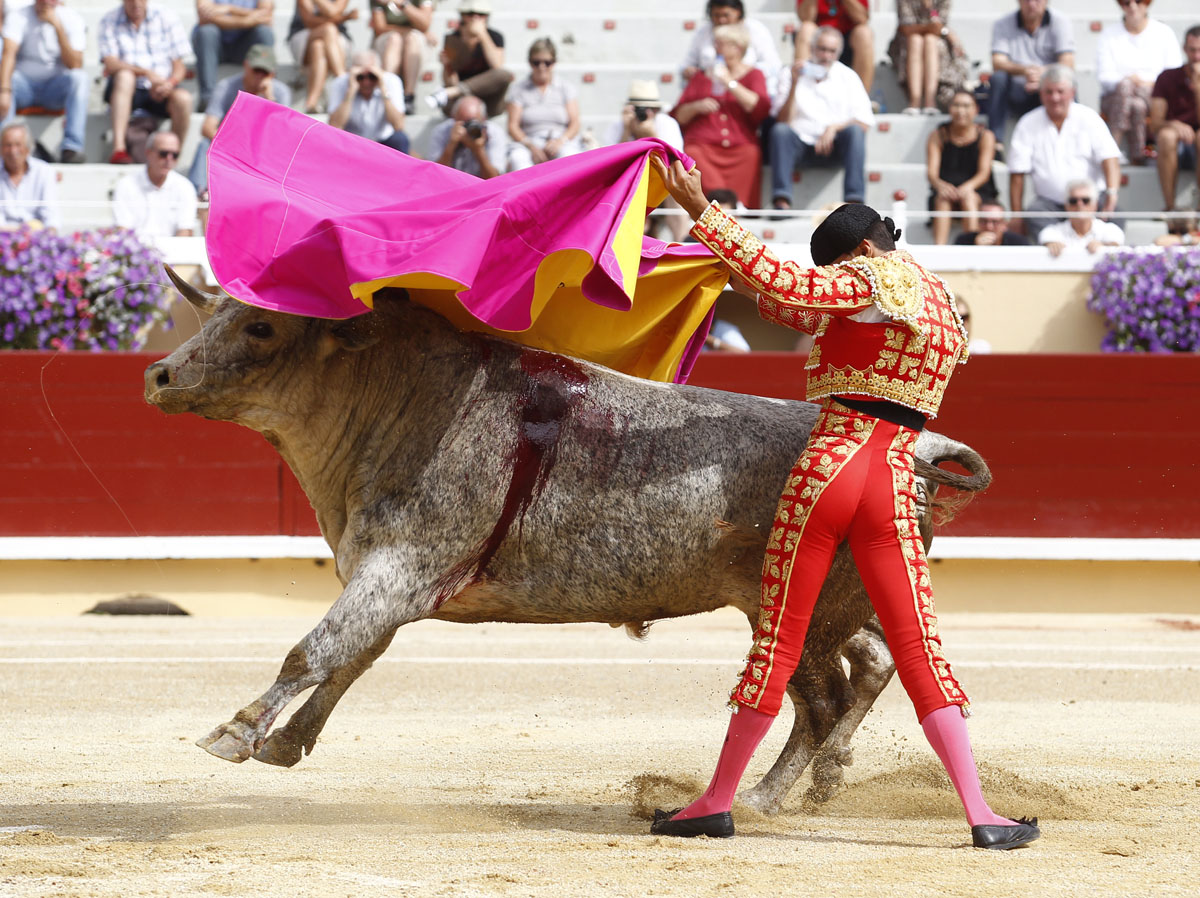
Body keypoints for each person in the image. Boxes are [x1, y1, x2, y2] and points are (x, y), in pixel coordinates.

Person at [647, 155, 1040, 851]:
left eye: (837, 265)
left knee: (779, 641)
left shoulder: (864, 277)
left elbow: (790, 287)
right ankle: (983, 814)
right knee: (919, 649)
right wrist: (735, 271)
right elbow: (794, 304)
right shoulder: (937, 299)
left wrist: (702, 211)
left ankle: (715, 801)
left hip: (829, 471)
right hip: (894, 479)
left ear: (859, 250)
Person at [1007, 65, 1120, 239]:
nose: (1055, 98)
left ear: (1072, 92)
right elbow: (1017, 173)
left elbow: (1110, 158)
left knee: (1115, 215)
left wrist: (1112, 194)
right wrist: (1016, 215)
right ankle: (1054, 248)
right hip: (1049, 206)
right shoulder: (1027, 123)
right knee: (1034, 215)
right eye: (1049, 92)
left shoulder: (1090, 118)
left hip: (1091, 202)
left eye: (1060, 91)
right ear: (1041, 94)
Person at [770, 26, 873, 211]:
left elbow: (864, 122)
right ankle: (781, 200)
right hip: (799, 146)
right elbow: (782, 120)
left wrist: (834, 128)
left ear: (839, 53)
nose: (826, 56)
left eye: (832, 51)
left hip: (835, 146)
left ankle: (854, 204)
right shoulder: (791, 73)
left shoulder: (848, 76)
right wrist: (794, 83)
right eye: (822, 49)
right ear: (812, 48)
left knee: (855, 132)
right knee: (780, 132)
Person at [671, 21, 770, 209]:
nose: (716, 48)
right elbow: (678, 116)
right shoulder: (702, 76)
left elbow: (759, 108)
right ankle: (707, 208)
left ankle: (738, 208)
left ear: (737, 47)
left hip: (740, 145)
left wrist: (729, 82)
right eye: (715, 43)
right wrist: (697, 106)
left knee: (751, 153)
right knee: (693, 152)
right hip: (704, 144)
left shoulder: (754, 75)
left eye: (721, 44)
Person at [187, 44, 291, 197]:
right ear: (246, 65)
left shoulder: (280, 93)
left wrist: (269, 99)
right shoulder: (226, 87)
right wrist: (236, 146)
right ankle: (198, 193)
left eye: (265, 72)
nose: (259, 76)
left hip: (263, 150)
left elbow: (282, 135)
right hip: (230, 147)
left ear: (273, 74)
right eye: (256, 70)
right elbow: (207, 127)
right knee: (205, 145)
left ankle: (273, 197)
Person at [98, 0, 194, 165]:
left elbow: (179, 66)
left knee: (184, 99)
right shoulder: (109, 20)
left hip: (162, 89)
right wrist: (145, 73)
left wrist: (168, 84)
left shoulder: (167, 17)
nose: (136, 3)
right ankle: (119, 149)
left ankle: (172, 153)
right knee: (125, 77)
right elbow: (110, 64)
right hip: (128, 89)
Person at [0, 0, 89, 163]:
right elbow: (8, 54)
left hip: (54, 90)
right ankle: (4, 148)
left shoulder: (72, 18)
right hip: (23, 87)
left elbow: (75, 64)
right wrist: (4, 91)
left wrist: (57, 27)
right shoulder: (19, 16)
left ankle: (72, 147)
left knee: (80, 78)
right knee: (6, 79)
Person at [1096, 0, 1181, 165]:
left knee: (1133, 97)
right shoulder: (1109, 34)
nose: (1132, 6)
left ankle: (1113, 146)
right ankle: (1138, 153)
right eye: (1126, 2)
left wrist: (1144, 83)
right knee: (1135, 103)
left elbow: (1172, 74)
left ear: (1147, 3)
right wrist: (1130, 81)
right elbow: (1104, 77)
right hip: (1116, 97)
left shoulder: (1163, 33)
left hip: (1153, 96)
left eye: (1138, 1)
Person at [606, 79, 689, 242]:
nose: (646, 114)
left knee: (678, 189)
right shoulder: (618, 126)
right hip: (628, 180)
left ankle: (681, 242)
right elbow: (611, 164)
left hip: (661, 179)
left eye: (652, 109)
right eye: (640, 109)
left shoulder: (667, 124)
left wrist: (653, 137)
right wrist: (627, 132)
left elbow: (676, 161)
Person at [987, 0, 1075, 142]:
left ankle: (1071, 135)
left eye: (1037, 0)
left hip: (1048, 87)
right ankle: (995, 141)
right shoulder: (1002, 23)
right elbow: (997, 63)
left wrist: (1042, 75)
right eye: (1027, 0)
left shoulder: (1060, 21)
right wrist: (1025, 71)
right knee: (998, 78)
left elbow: (1068, 63)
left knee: (1067, 82)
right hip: (1017, 89)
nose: (1032, 4)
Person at [926, 90, 997, 245]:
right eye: (956, 105)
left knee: (968, 197)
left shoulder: (985, 136)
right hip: (946, 191)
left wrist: (967, 188)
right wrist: (942, 186)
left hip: (978, 191)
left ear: (976, 109)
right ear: (949, 108)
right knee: (943, 199)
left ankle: (971, 247)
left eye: (966, 106)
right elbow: (931, 173)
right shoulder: (938, 135)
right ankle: (939, 249)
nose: (961, 111)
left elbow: (984, 173)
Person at [681, 0, 783, 103]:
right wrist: (692, 71)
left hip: (752, 93)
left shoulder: (756, 30)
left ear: (738, 12)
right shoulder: (703, 32)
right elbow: (687, 64)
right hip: (712, 95)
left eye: (726, 15)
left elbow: (773, 65)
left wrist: (736, 73)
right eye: (716, 15)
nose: (721, 20)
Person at [426, 0, 512, 119]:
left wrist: (482, 35)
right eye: (470, 14)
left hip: (488, 98)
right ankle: (455, 92)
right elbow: (451, 82)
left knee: (504, 75)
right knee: (452, 101)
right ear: (462, 15)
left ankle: (453, 92)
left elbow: (497, 67)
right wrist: (447, 65)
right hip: (462, 99)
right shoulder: (453, 38)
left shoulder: (495, 37)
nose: (475, 18)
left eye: (481, 14)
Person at [506, 38, 581, 171]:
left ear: (554, 62)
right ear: (529, 62)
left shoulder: (565, 87)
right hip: (528, 142)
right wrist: (531, 146)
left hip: (561, 140)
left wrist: (560, 141)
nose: (542, 67)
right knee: (518, 160)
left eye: (547, 62)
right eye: (536, 62)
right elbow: (513, 126)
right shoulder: (518, 89)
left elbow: (575, 124)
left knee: (569, 158)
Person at [1150, 26, 1200, 225]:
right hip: (1175, 143)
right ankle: (1169, 206)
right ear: (1184, 49)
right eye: (1192, 50)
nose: (1196, 56)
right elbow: (1155, 123)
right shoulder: (1167, 77)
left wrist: (1198, 89)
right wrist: (1175, 124)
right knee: (1166, 136)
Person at [191, 0, 274, 113]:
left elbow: (266, 15)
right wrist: (248, 19)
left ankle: (265, 95)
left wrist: (230, 9)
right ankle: (207, 99)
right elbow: (204, 17)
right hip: (214, 47)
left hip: (246, 48)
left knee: (264, 32)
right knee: (206, 32)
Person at [112, 130, 197, 239]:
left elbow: (185, 231)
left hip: (172, 248)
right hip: (135, 248)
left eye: (175, 155)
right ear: (148, 153)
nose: (169, 159)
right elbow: (123, 230)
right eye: (163, 154)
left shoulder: (185, 187)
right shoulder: (126, 185)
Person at [889, 0, 968, 115]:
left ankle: (930, 101)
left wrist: (930, 10)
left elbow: (938, 25)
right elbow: (907, 28)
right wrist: (943, 31)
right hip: (907, 44)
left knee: (930, 40)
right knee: (915, 40)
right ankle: (914, 101)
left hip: (934, 43)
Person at [327, 49, 409, 153]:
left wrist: (383, 89)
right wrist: (350, 92)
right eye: (360, 77)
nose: (366, 82)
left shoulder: (391, 81)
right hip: (353, 141)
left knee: (400, 139)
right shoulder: (341, 83)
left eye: (372, 76)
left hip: (383, 140)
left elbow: (399, 125)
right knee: (333, 139)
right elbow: (335, 125)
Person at [288, 0, 356, 114]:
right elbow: (309, 22)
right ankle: (341, 78)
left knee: (318, 46)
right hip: (305, 34)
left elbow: (333, 11)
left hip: (332, 39)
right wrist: (344, 18)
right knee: (329, 29)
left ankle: (311, 102)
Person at [795, 0, 874, 94]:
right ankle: (801, 93)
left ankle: (861, 97)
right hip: (819, 39)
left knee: (864, 33)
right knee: (806, 28)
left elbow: (862, 18)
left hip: (847, 41)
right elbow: (805, 18)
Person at [368, 0, 432, 114]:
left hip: (414, 40)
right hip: (388, 40)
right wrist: (408, 30)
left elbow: (424, 24)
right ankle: (388, 93)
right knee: (395, 39)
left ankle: (408, 96)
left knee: (412, 38)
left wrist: (403, 4)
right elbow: (380, 28)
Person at [1038, 179, 1124, 257]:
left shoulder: (1109, 229)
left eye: (1085, 200)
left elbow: (1116, 240)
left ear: (1095, 205)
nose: (1079, 204)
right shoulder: (1054, 231)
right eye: (1073, 201)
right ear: (1066, 205)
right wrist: (1051, 244)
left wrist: (1104, 246)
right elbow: (1046, 236)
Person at [428, 94, 506, 179]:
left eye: (473, 122)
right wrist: (451, 144)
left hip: (481, 185)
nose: (469, 128)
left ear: (484, 119)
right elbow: (435, 176)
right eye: (465, 123)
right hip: (451, 184)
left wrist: (478, 150)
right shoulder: (442, 131)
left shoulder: (494, 133)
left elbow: (494, 179)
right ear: (454, 118)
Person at [0, 119, 56, 228]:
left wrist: (48, 233)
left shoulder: (44, 171)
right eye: (8, 145)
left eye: (18, 145)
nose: (13, 151)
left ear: (28, 148)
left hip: (36, 234)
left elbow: (51, 215)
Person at [953, 199, 1031, 245]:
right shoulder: (963, 241)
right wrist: (976, 249)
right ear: (977, 223)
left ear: (1004, 225)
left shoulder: (1018, 243)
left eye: (995, 222)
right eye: (984, 221)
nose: (989, 227)